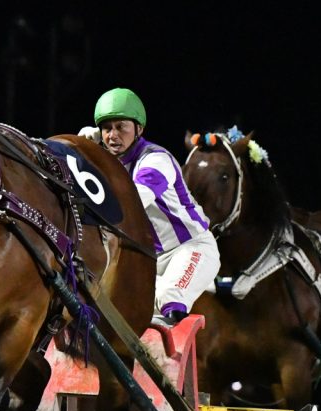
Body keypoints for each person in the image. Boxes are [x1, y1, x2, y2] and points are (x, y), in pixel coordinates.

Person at [79, 88, 220, 326]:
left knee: (170, 299)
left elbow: (130, 203)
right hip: (149, 260)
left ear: (139, 129)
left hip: (190, 248)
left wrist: (86, 155)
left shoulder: (156, 159)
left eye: (121, 127)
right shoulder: (110, 163)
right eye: (107, 128)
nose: (112, 135)